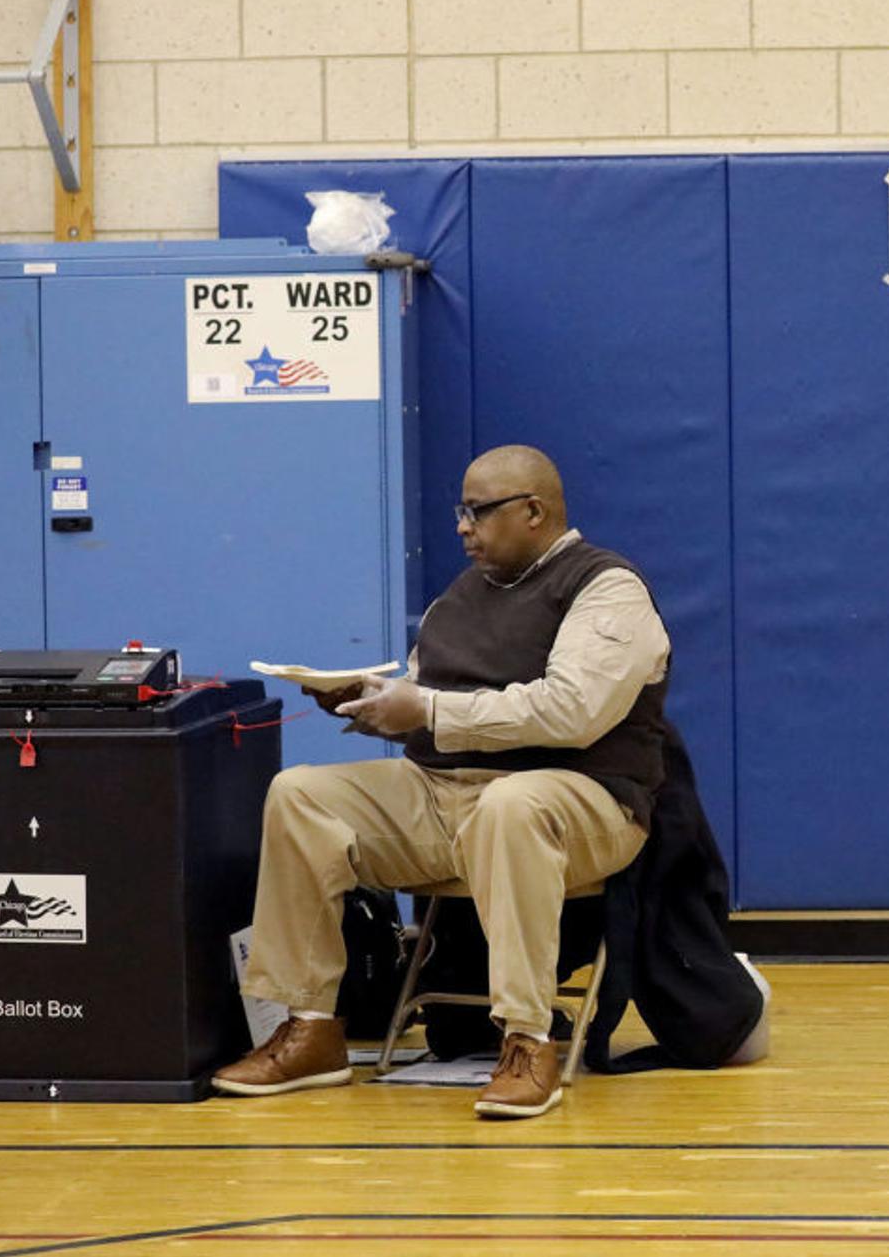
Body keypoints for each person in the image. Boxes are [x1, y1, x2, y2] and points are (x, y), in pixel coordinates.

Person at [215, 444, 671, 1117]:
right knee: (301, 792)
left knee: (510, 804)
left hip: (580, 800)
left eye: (477, 511)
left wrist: (425, 707)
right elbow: (436, 712)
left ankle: (527, 1036)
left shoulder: (606, 587)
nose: (463, 526)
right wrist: (374, 706)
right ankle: (312, 1025)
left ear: (534, 511)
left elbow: (571, 711)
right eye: (462, 512)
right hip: (445, 796)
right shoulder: (456, 600)